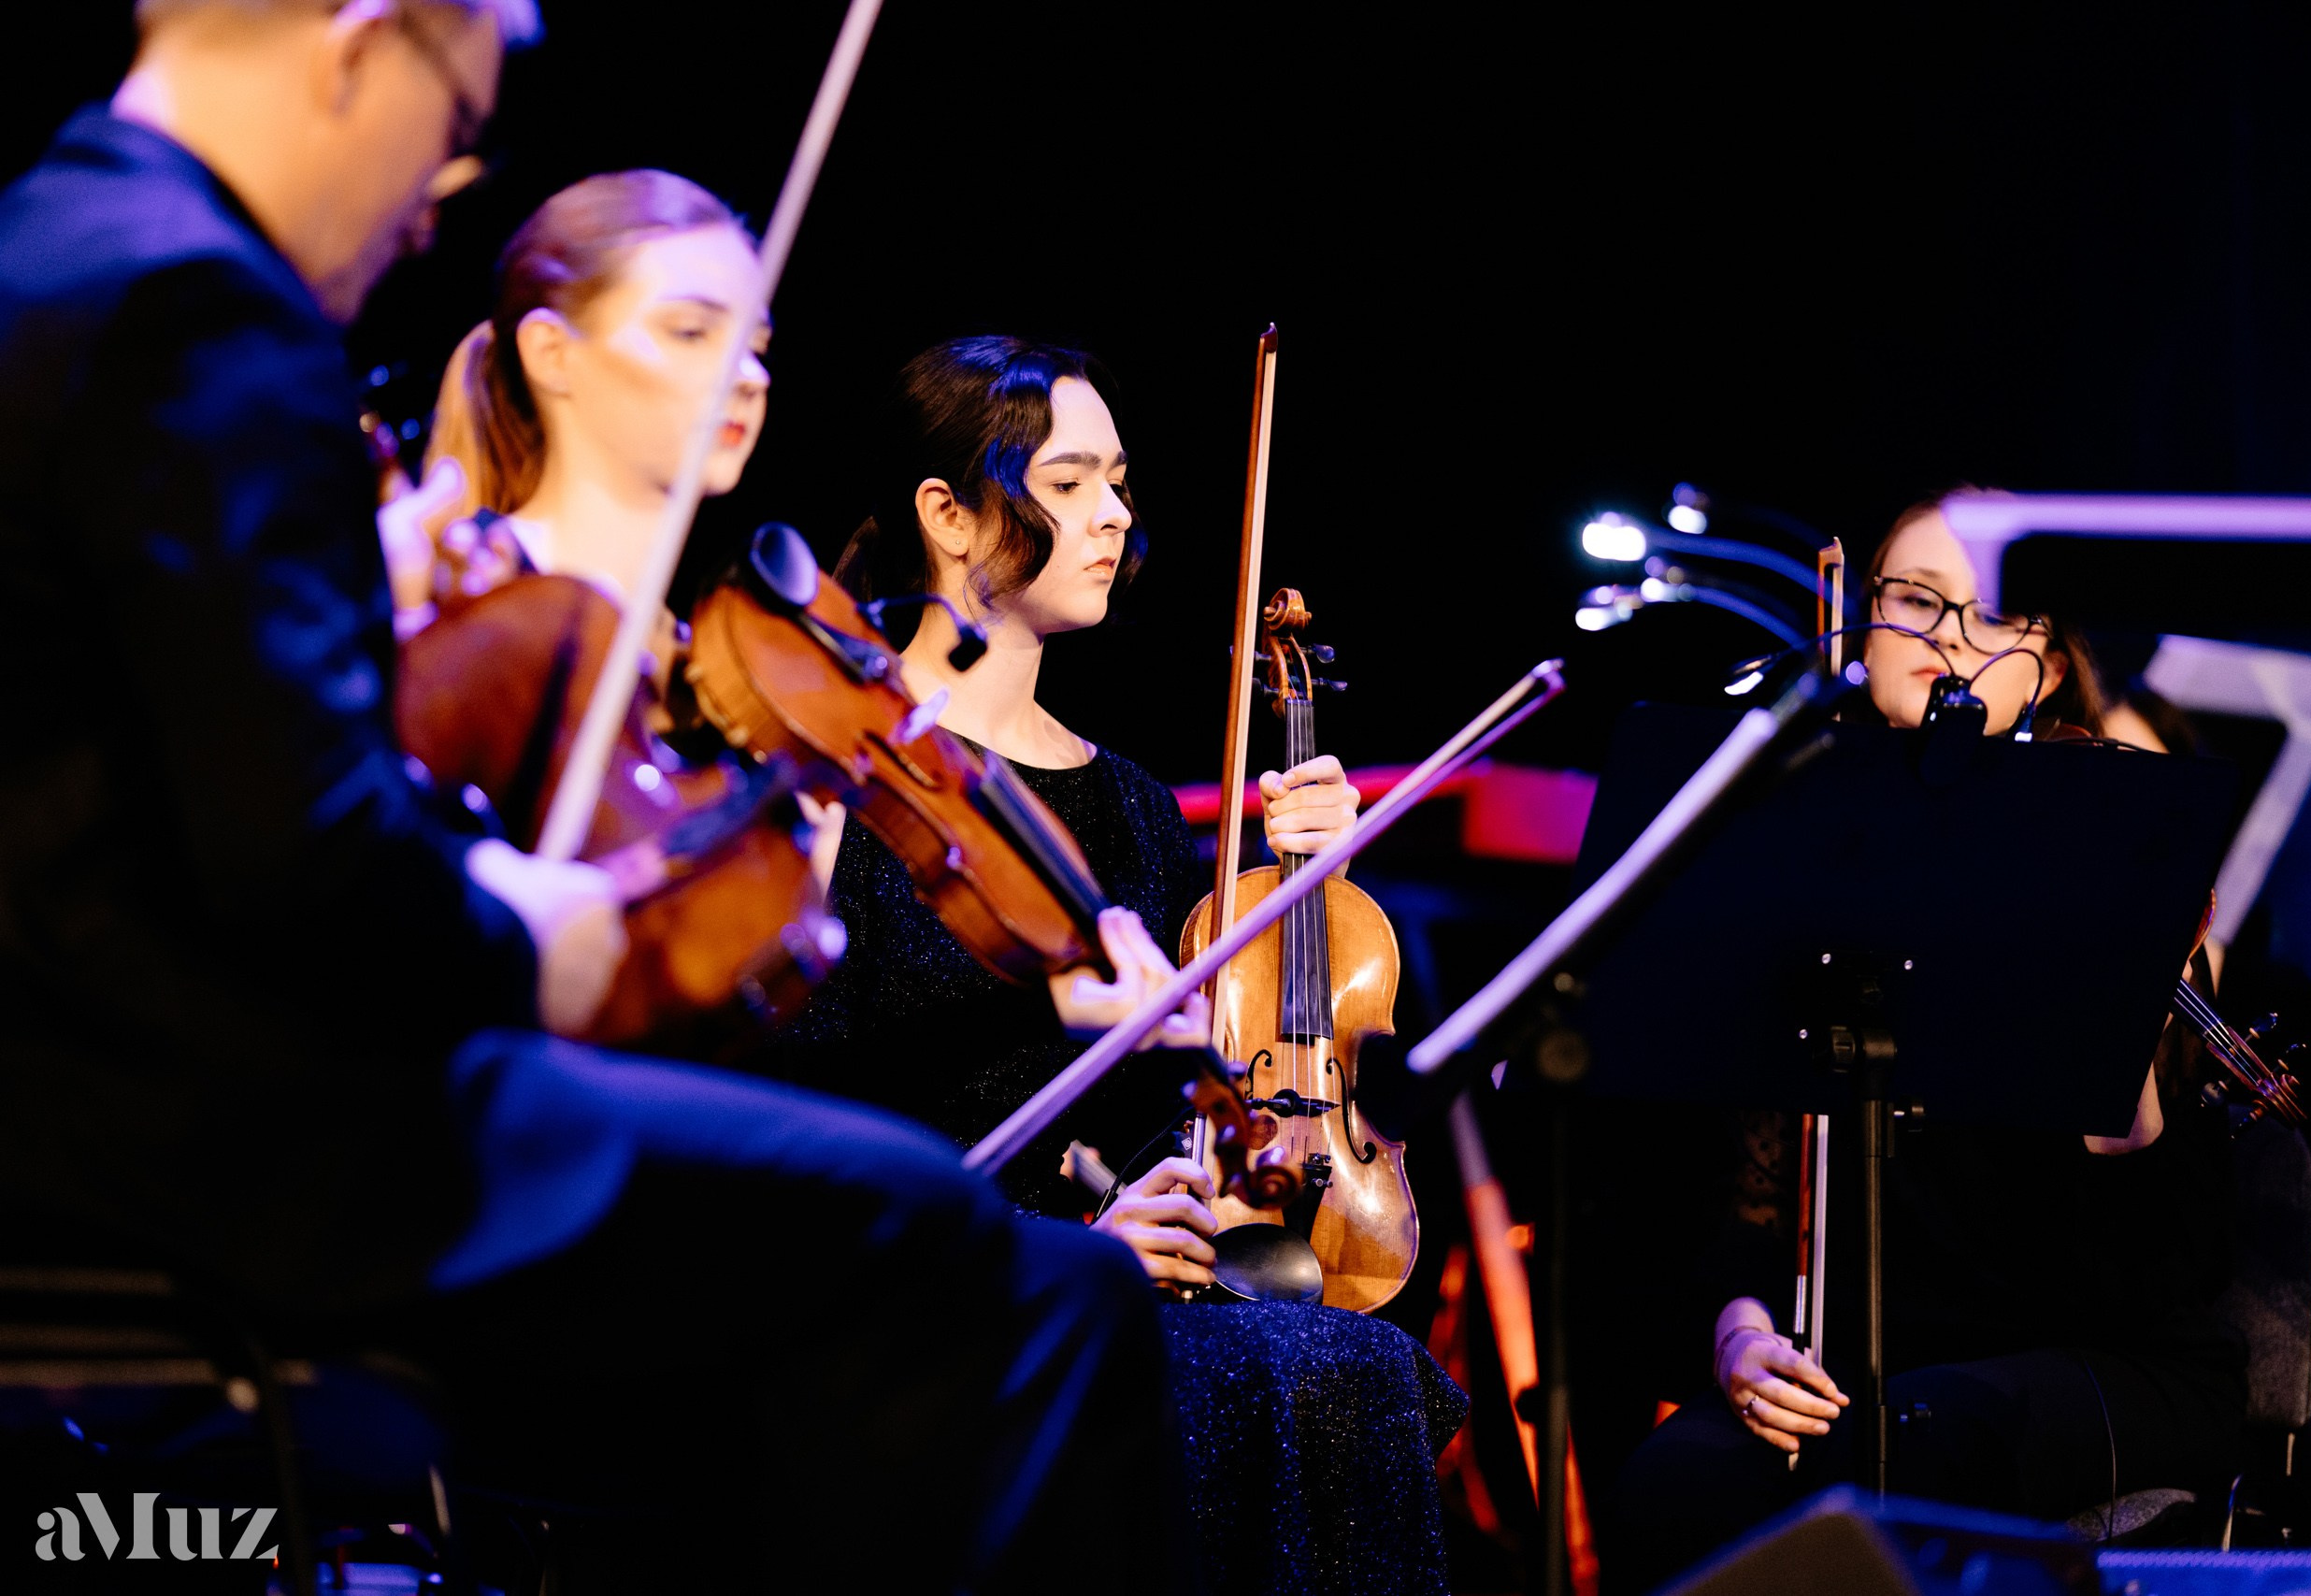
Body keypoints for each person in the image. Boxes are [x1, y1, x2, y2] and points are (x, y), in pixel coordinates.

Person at [0, 4, 1199, 1588]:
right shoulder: (199, 310)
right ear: (361, 42)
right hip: (218, 1137)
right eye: (454, 124)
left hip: (90, 1094)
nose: (439, 189)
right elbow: (296, 858)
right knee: (1020, 1284)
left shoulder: (45, 245)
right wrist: (527, 935)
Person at [759, 337, 1468, 1595]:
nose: (1118, 513)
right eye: (1074, 481)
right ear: (953, 515)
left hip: (1124, 1272)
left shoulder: (1136, 810)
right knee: (1307, 1373)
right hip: (930, 1288)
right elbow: (801, 1100)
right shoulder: (846, 773)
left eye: (1121, 481)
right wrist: (1070, 1239)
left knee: (1358, 1363)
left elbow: (1180, 1109)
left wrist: (1296, 893)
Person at [1597, 500, 2245, 1590]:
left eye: (1992, 615)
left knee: (1901, 1446)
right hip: (1880, 1359)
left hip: (2108, 1356)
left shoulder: (2104, 854)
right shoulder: (1805, 867)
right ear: (1865, 624)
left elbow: (2157, 1263)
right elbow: (1753, 1212)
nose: (1949, 635)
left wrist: (2108, 999)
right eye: (1916, 602)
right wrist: (1741, 1341)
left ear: (2043, 662)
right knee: (1674, 1480)